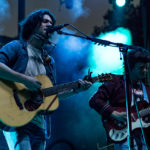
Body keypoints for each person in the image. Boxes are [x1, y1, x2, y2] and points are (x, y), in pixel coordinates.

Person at [0, 9, 91, 150]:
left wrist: (76, 90)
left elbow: (52, 95)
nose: (49, 24)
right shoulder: (17, 48)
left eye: (51, 22)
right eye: (45, 21)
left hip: (39, 124)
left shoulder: (49, 62)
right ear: (34, 24)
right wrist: (25, 80)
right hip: (16, 118)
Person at [89, 48, 150, 150]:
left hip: (143, 139)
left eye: (147, 68)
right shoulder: (116, 82)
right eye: (141, 67)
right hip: (121, 136)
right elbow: (95, 100)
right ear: (130, 67)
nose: (145, 71)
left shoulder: (147, 89)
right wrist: (113, 113)